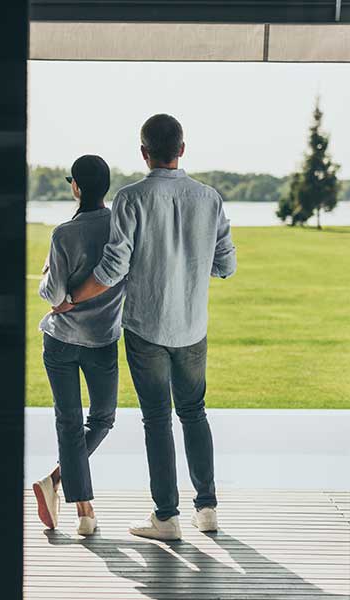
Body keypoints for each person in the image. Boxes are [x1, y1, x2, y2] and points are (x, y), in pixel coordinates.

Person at [59, 114, 237, 541]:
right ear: (182, 149)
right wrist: (189, 266)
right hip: (192, 326)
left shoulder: (130, 198)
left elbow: (114, 267)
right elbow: (226, 265)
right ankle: (207, 508)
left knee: (157, 419)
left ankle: (167, 517)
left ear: (144, 152)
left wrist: (72, 298)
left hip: (146, 329)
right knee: (194, 413)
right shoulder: (209, 198)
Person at [32, 154, 125, 537]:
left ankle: (59, 483)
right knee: (101, 420)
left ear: (76, 187)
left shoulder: (62, 234)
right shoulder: (122, 228)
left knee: (69, 423)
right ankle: (83, 510)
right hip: (102, 340)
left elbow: (53, 296)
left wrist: (46, 277)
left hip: (61, 341)